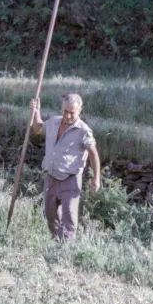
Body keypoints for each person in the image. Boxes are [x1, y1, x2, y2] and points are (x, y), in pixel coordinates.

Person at [30, 94, 101, 241]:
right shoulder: (54, 122)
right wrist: (36, 111)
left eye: (72, 112)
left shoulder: (83, 131)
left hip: (70, 179)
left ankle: (66, 247)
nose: (68, 116)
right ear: (62, 109)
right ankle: (57, 241)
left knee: (69, 215)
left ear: (79, 111)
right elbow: (37, 129)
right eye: (65, 111)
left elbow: (93, 154)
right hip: (51, 176)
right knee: (51, 214)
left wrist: (96, 179)